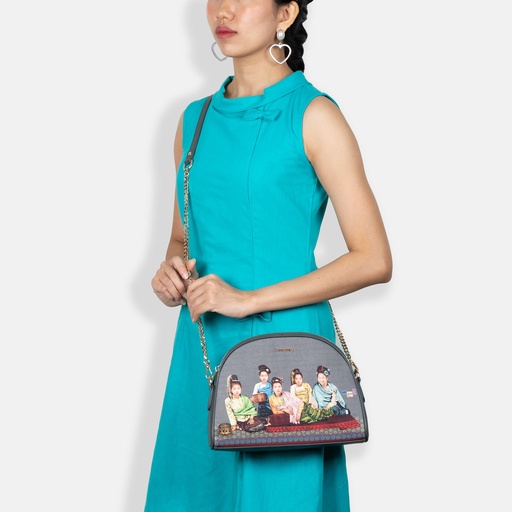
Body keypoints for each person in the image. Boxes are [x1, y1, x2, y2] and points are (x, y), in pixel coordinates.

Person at [147, 0, 392, 510]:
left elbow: (374, 257)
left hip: (285, 358)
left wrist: (248, 300)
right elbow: (182, 237)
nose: (225, 9)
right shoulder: (194, 120)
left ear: (286, 15)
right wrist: (171, 272)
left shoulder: (314, 115)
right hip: (203, 351)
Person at [269, 376, 334, 424]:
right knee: (312, 420)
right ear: (272, 388)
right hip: (293, 414)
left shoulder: (286, 394)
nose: (278, 389)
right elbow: (275, 411)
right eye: (275, 387)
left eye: (279, 386)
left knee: (317, 415)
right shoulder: (271, 398)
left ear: (281, 387)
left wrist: (299, 412)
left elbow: (299, 402)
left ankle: (330, 412)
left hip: (301, 408)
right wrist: (284, 410)